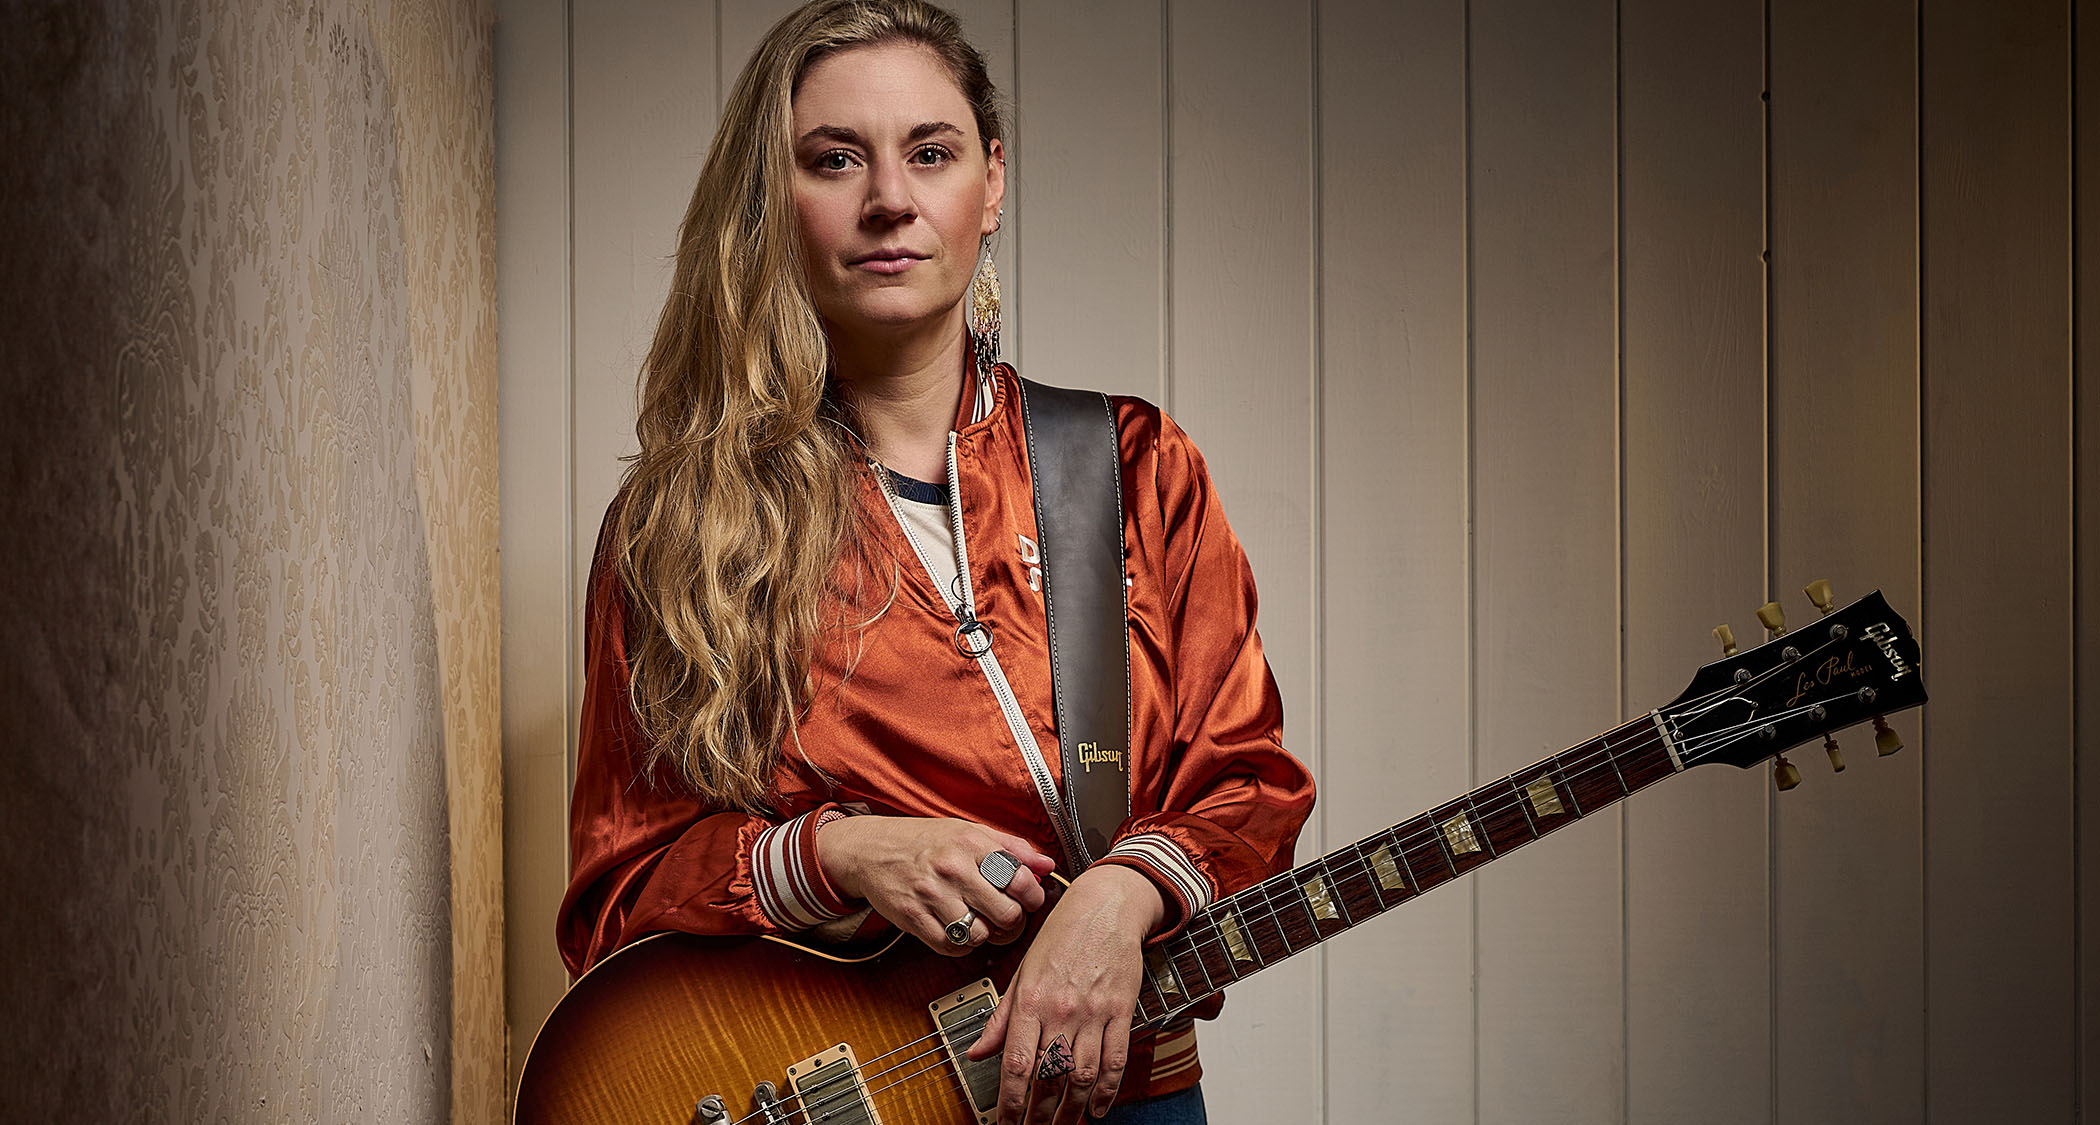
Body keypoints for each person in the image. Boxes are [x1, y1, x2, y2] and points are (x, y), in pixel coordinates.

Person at [556, 2, 1314, 1122]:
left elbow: (1246, 782)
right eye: (833, 159)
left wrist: (1120, 894)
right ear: (775, 198)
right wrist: (835, 855)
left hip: (1127, 1097)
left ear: (991, 181)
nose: (890, 201)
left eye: (931, 151)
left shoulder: (1135, 466)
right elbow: (617, 897)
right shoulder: (679, 528)